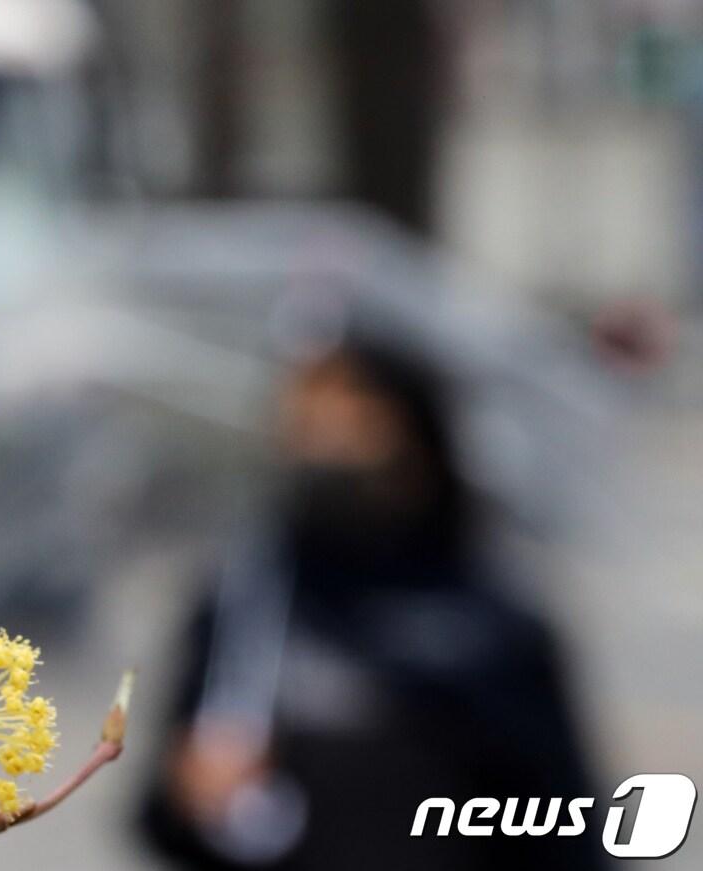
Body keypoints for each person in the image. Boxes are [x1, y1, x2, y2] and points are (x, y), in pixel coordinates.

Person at [143, 339, 603, 870]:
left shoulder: (491, 626)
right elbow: (167, 818)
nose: (326, 431)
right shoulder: (248, 608)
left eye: (355, 405)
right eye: (307, 409)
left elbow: (563, 825)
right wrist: (193, 789)